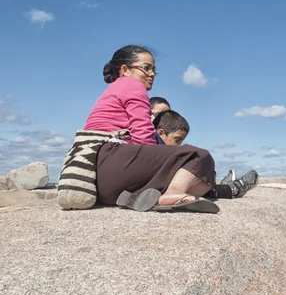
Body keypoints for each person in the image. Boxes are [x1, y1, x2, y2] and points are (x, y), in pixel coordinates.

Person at [82, 45, 257, 212]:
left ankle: (146, 197)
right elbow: (143, 136)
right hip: (113, 160)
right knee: (198, 156)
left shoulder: (113, 90)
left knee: (192, 175)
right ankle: (174, 192)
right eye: (146, 68)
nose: (151, 74)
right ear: (125, 70)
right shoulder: (132, 85)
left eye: (154, 70)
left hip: (102, 181)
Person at [153, 109, 237, 194]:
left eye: (181, 141)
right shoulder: (156, 151)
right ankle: (230, 188)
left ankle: (226, 187)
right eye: (177, 140)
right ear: (161, 133)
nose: (179, 145)